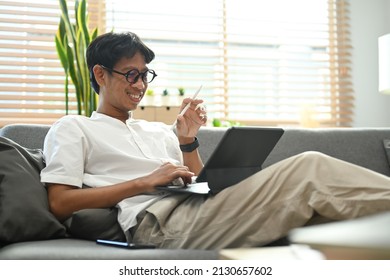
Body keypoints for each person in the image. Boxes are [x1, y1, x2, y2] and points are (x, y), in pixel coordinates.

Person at [41, 31, 390, 249]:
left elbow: (201, 183)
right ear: (100, 74)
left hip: (198, 211)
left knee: (332, 215)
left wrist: (188, 141)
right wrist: (145, 182)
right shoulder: (73, 127)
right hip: (157, 224)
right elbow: (59, 202)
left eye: (144, 75)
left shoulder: (157, 131)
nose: (140, 85)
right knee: (310, 167)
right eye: (131, 74)